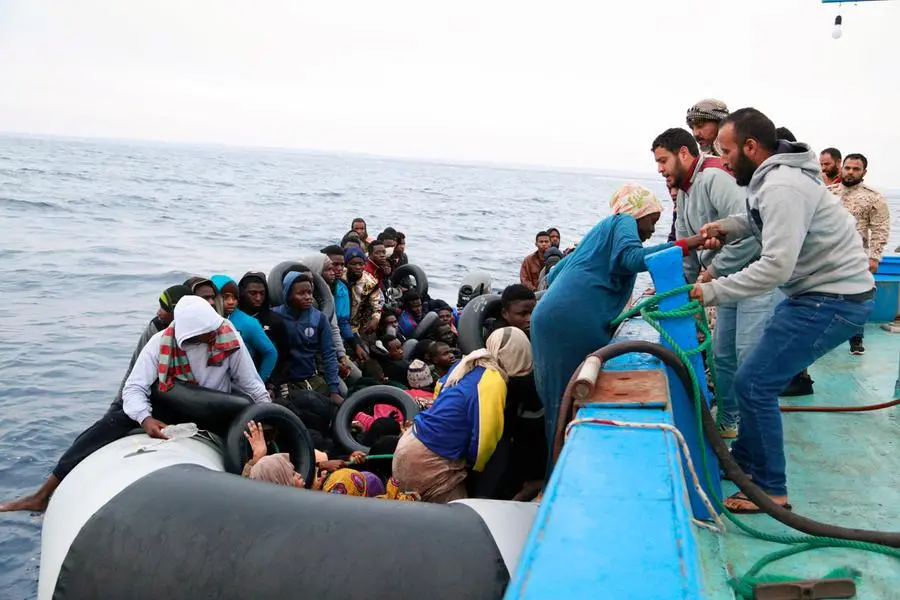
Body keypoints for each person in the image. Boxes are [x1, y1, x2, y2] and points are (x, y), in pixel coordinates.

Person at [690, 107, 875, 513]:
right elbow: (758, 218)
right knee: (750, 379)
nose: (721, 160)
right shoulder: (771, 179)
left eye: (726, 151)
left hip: (833, 300)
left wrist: (712, 291)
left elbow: (776, 266)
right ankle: (745, 463)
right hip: (819, 295)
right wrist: (729, 227)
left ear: (751, 147)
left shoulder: (782, 186)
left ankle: (772, 490)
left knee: (755, 383)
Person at [531, 183, 709, 460]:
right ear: (639, 211)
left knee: (558, 402)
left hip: (547, 319)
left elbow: (554, 276)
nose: (651, 231)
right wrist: (688, 244)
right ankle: (564, 470)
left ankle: (553, 473)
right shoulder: (624, 219)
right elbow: (632, 258)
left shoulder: (597, 234)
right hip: (570, 322)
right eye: (652, 220)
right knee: (570, 402)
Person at [0, 285, 192, 513]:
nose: (159, 312)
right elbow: (135, 380)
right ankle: (42, 496)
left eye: (164, 308)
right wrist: (138, 414)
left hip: (179, 403)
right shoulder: (157, 332)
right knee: (99, 431)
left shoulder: (213, 335)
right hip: (142, 399)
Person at [652, 127, 774, 438]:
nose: (660, 169)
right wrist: (680, 291)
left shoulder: (714, 178)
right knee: (722, 358)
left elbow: (751, 233)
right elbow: (687, 249)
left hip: (756, 279)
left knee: (748, 357)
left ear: (684, 153)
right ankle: (729, 423)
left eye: (663, 160)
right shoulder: (687, 191)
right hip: (727, 284)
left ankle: (755, 437)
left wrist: (713, 272)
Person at [392, 327, 533, 502]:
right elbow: (485, 439)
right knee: (454, 523)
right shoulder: (494, 379)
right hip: (431, 462)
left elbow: (439, 388)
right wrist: (477, 469)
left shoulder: (469, 362)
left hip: (411, 445)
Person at [829, 153, 891, 355]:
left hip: (857, 257)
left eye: (856, 169)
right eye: (847, 167)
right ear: (842, 168)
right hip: (827, 256)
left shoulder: (873, 197)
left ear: (864, 171)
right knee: (823, 297)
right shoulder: (828, 193)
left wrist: (875, 257)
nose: (850, 172)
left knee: (857, 299)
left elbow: (881, 228)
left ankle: (856, 340)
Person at [274, 272, 343, 406]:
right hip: (285, 382)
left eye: (310, 292)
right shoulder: (275, 317)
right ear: (288, 295)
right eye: (301, 293)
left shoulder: (319, 319)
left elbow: (329, 354)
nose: (308, 297)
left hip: (311, 377)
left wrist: (334, 390)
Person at [211, 275, 278, 382]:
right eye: (225, 297)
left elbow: (270, 353)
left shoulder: (248, 323)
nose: (231, 302)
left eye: (234, 298)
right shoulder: (206, 320)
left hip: (239, 385)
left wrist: (259, 381)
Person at [238, 271, 290, 385]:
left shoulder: (275, 321)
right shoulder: (232, 317)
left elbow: (284, 357)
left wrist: (272, 384)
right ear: (241, 292)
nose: (258, 298)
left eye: (262, 293)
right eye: (253, 293)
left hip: (267, 380)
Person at [345, 246, 384, 345]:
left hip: (356, 324)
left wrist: (375, 319)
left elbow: (378, 303)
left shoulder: (370, 282)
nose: (358, 267)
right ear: (346, 264)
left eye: (361, 264)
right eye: (353, 264)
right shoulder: (340, 276)